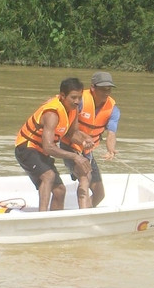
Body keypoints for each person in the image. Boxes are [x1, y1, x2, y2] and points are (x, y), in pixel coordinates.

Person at [15, 78, 93, 211]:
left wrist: (84, 141)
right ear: (62, 96)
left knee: (60, 191)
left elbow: (71, 134)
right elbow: (49, 146)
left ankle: (54, 221)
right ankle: (43, 216)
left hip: (41, 151)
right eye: (73, 97)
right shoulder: (52, 113)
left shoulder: (73, 110)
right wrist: (75, 157)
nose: (77, 101)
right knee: (48, 175)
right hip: (26, 148)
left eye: (79, 98)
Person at [60, 71, 120, 207]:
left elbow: (111, 133)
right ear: (93, 88)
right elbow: (70, 130)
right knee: (85, 177)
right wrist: (82, 140)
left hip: (88, 150)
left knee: (100, 193)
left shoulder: (113, 109)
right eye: (103, 89)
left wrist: (111, 149)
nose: (106, 93)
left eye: (109, 89)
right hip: (70, 145)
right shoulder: (79, 101)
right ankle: (84, 216)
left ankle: (86, 213)